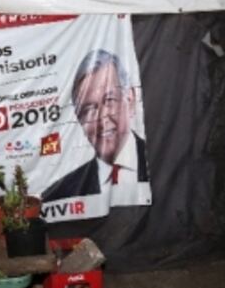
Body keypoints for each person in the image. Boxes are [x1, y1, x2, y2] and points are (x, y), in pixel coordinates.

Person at [42, 49, 149, 202]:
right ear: (79, 119)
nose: (102, 117)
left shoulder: (164, 163)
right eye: (89, 109)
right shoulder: (62, 194)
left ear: (130, 100)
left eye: (109, 100)